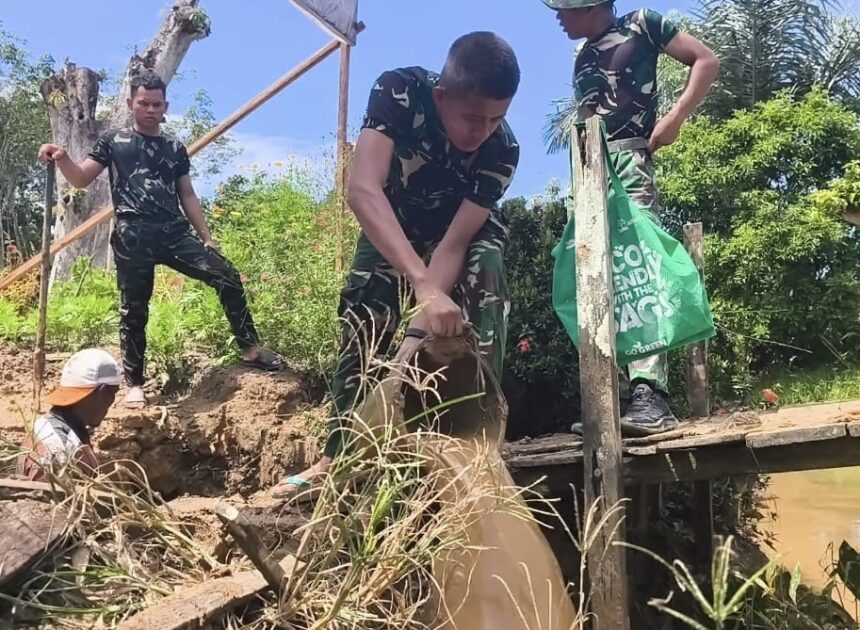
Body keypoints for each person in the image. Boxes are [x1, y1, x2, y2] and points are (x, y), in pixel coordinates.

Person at [271, 32, 521, 498]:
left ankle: (478, 443)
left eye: (496, 118)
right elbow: (362, 189)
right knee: (365, 308)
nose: (483, 131)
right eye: (473, 118)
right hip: (394, 218)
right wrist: (422, 287)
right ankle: (337, 456)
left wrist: (417, 330)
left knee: (486, 269)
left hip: (458, 234)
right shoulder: (399, 92)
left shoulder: (502, 151)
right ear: (442, 97)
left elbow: (454, 243)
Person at [38, 72, 283, 408]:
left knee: (226, 275)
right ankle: (135, 384)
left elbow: (187, 194)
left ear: (165, 106)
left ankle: (250, 349)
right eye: (144, 103)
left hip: (173, 233)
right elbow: (81, 179)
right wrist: (62, 157)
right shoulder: (113, 141)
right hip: (132, 235)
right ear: (131, 104)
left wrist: (207, 238)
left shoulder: (174, 148)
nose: (150, 109)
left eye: (156, 104)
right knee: (133, 309)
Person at [541, 0, 719, 434]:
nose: (558, 17)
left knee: (638, 270)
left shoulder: (642, 24)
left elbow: (706, 60)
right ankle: (613, 399)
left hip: (629, 161)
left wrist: (675, 118)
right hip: (587, 168)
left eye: (563, 8)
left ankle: (650, 396)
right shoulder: (583, 54)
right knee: (593, 276)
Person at [17, 349, 121, 481]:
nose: (113, 400)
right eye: (113, 393)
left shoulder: (45, 426)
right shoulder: (59, 448)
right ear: (103, 393)